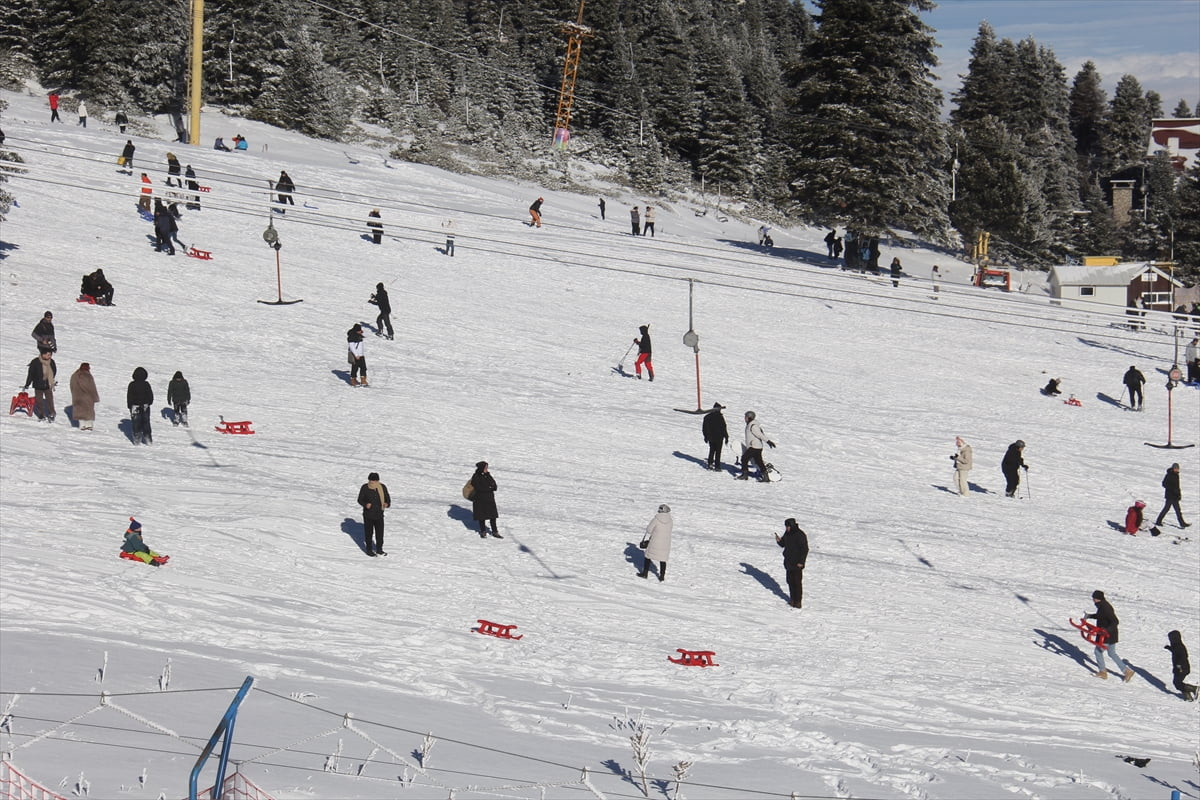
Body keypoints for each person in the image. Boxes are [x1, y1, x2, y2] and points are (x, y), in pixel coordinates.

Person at [1083, 590, 1133, 682]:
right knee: (1112, 653)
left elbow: (1115, 621)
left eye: (1094, 598)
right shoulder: (1103, 606)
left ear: (1098, 598)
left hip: (1106, 635)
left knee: (1098, 651)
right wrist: (1090, 616)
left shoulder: (1105, 607)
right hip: (1111, 635)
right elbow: (1101, 616)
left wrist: (1106, 630)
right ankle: (1127, 671)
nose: (1093, 600)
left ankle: (1102, 672)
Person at [774, 518, 809, 609]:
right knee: (790, 581)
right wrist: (779, 541)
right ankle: (792, 600)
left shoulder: (800, 535)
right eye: (786, 527)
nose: (786, 529)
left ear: (792, 526)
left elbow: (805, 550)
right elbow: (783, 544)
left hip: (797, 564)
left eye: (788, 527)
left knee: (797, 583)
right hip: (789, 563)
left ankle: (798, 602)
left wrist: (801, 562)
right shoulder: (787, 534)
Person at [356, 472, 391, 556]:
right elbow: (360, 499)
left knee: (380, 533)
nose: (372, 483)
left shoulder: (382, 487)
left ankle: (379, 549)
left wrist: (387, 504)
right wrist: (365, 504)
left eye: (373, 481)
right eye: (370, 481)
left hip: (379, 514)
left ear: (377, 481)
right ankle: (369, 550)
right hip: (368, 515)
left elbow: (387, 498)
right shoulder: (365, 487)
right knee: (369, 533)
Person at [638, 504, 673, 581]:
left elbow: (649, 530)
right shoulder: (670, 520)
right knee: (663, 559)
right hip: (665, 543)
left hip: (655, 541)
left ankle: (645, 573)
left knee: (648, 556)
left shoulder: (656, 519)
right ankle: (662, 576)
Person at [737, 410, 775, 482]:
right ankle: (766, 477)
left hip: (754, 447)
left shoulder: (753, 426)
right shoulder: (751, 424)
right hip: (757, 447)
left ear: (749, 417)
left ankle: (745, 475)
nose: (744, 418)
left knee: (744, 458)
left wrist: (768, 441)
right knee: (759, 461)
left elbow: (760, 435)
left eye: (746, 417)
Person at [1152, 462, 1190, 530]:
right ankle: (1159, 521)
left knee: (1175, 510)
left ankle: (1181, 523)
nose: (1177, 469)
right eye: (1176, 468)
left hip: (1175, 496)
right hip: (1170, 496)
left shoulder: (1176, 475)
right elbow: (1164, 484)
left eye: (1178, 468)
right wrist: (1172, 489)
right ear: (1173, 468)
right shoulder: (1169, 474)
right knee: (1170, 509)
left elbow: (1177, 487)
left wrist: (1178, 494)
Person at [23, 350, 57, 422]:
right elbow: (31, 374)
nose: (49, 356)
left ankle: (52, 413)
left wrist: (51, 379)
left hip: (48, 385)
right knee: (39, 401)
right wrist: (27, 384)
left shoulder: (51, 362)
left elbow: (54, 370)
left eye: (50, 355)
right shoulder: (35, 362)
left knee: (50, 400)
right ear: (43, 354)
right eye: (48, 355)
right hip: (38, 385)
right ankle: (41, 415)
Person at [1165, 630, 1198, 701]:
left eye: (1171, 638)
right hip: (1180, 668)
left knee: (1177, 683)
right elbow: (1175, 651)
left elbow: (1183, 656)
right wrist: (1169, 648)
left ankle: (1194, 688)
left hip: (1182, 668)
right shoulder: (1177, 645)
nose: (1170, 640)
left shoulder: (1179, 646)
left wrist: (1179, 665)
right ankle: (1188, 696)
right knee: (1177, 682)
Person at [470, 461, 501, 538]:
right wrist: (489, 488)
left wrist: (490, 487)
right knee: (482, 517)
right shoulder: (476, 476)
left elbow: (495, 486)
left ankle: (495, 531)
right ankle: (483, 531)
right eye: (485, 467)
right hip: (480, 500)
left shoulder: (488, 475)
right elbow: (478, 487)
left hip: (490, 499)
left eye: (487, 467)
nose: (487, 469)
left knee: (493, 516)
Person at [127, 366, 154, 445]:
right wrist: (149, 402)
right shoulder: (146, 384)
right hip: (145, 406)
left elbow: (129, 396)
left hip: (135, 406)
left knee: (136, 423)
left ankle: (137, 439)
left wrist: (129, 405)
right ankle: (148, 438)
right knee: (146, 422)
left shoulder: (132, 384)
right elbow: (150, 395)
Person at [69, 362, 99, 430]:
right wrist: (95, 397)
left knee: (80, 411)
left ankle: (82, 425)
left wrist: (74, 393)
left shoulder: (74, 375)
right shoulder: (87, 375)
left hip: (77, 396)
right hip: (87, 396)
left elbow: (71, 385)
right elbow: (91, 387)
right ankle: (89, 425)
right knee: (88, 411)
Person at [702, 402, 729, 471]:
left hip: (711, 437)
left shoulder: (707, 417)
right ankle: (717, 466)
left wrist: (705, 436)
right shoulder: (720, 417)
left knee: (712, 450)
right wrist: (726, 437)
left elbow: (704, 428)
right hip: (719, 438)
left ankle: (710, 464)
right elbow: (724, 427)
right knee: (718, 452)